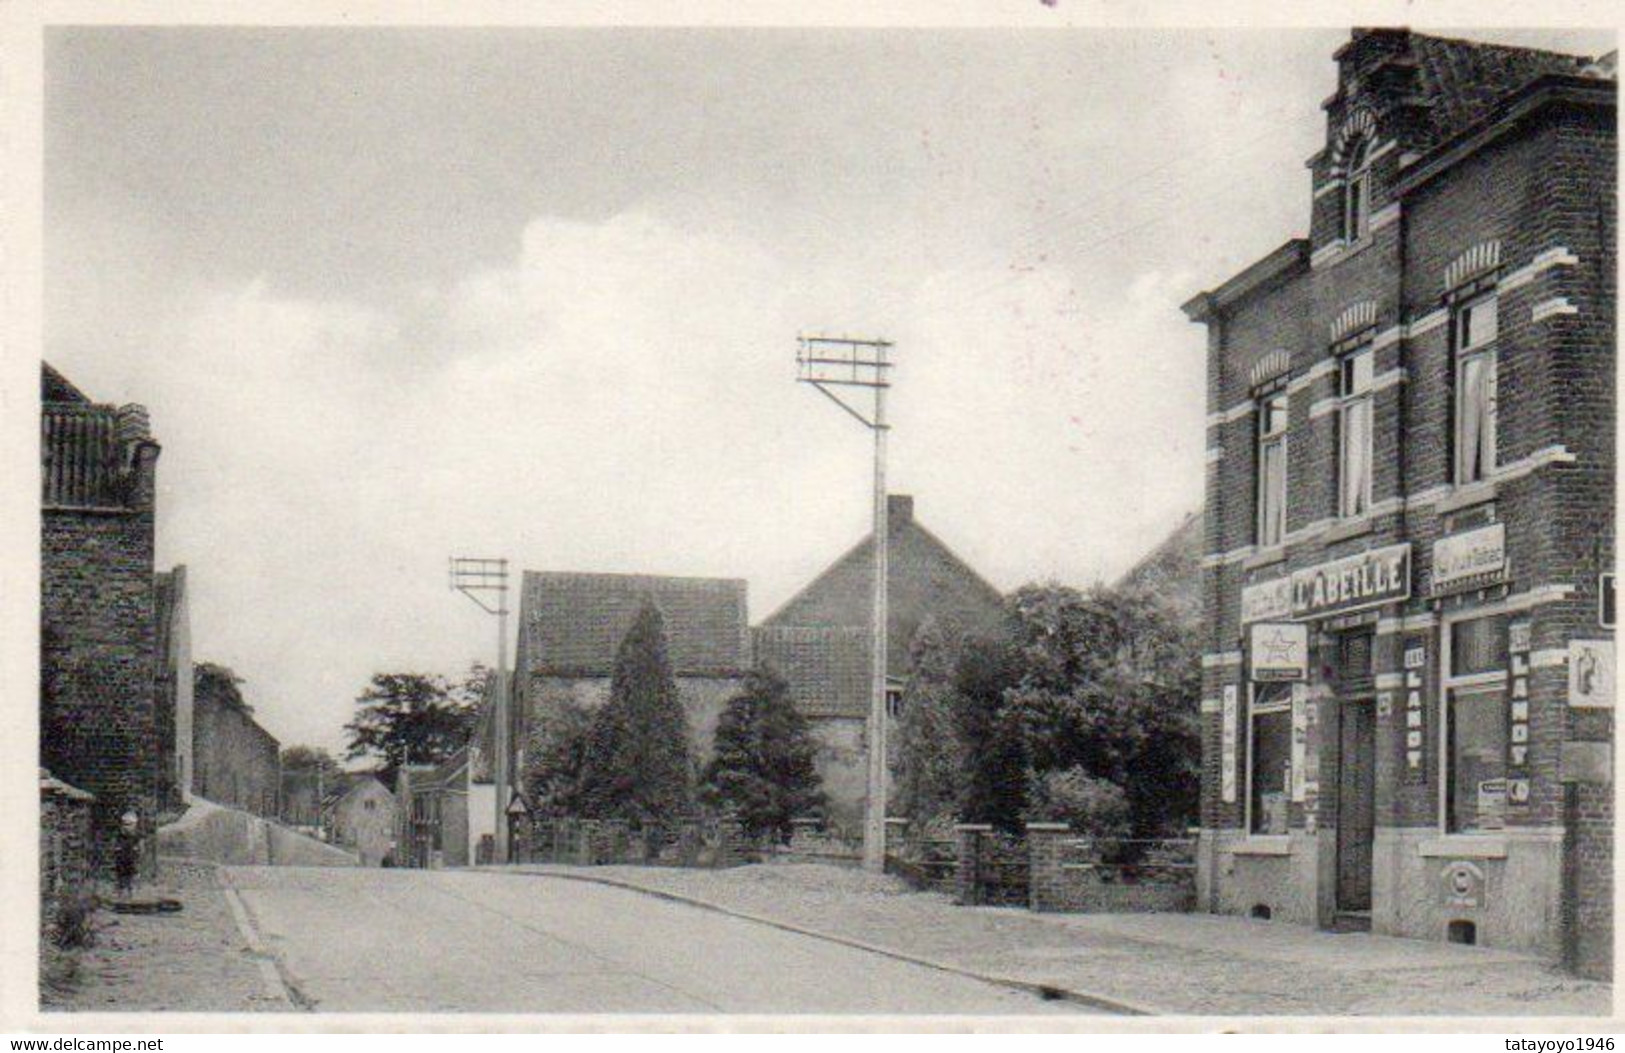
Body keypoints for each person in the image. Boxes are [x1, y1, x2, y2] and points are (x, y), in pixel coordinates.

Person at [114, 809, 141, 899]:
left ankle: (130, 893)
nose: (127, 827)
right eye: (125, 824)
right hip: (122, 859)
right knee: (121, 875)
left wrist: (137, 852)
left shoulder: (135, 837)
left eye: (129, 825)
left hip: (131, 859)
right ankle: (121, 892)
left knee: (131, 875)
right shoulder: (120, 836)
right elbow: (117, 848)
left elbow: (138, 848)